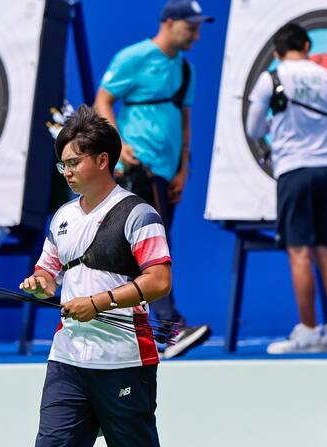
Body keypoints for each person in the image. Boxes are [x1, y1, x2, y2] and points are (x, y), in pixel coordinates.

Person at [23, 105, 170, 447]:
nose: (65, 171)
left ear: (102, 160)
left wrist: (100, 302)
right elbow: (48, 273)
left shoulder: (138, 214)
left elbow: (159, 279)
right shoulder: (63, 217)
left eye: (73, 162)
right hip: (68, 360)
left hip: (123, 361)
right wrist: (38, 283)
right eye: (62, 164)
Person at [94, 0, 213, 359]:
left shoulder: (186, 70)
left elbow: (185, 122)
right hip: (138, 169)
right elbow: (103, 100)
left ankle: (142, 329)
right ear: (170, 23)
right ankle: (169, 329)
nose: (196, 34)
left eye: (198, 27)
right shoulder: (134, 57)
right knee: (148, 249)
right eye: (190, 26)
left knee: (143, 251)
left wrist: (182, 169)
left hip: (165, 173)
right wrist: (119, 144)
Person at [245, 23, 327, 354]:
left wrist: (272, 124)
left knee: (299, 252)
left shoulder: (272, 78)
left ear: (277, 53)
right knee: (325, 250)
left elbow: (253, 128)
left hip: (294, 171)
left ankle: (308, 331)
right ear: (307, 45)